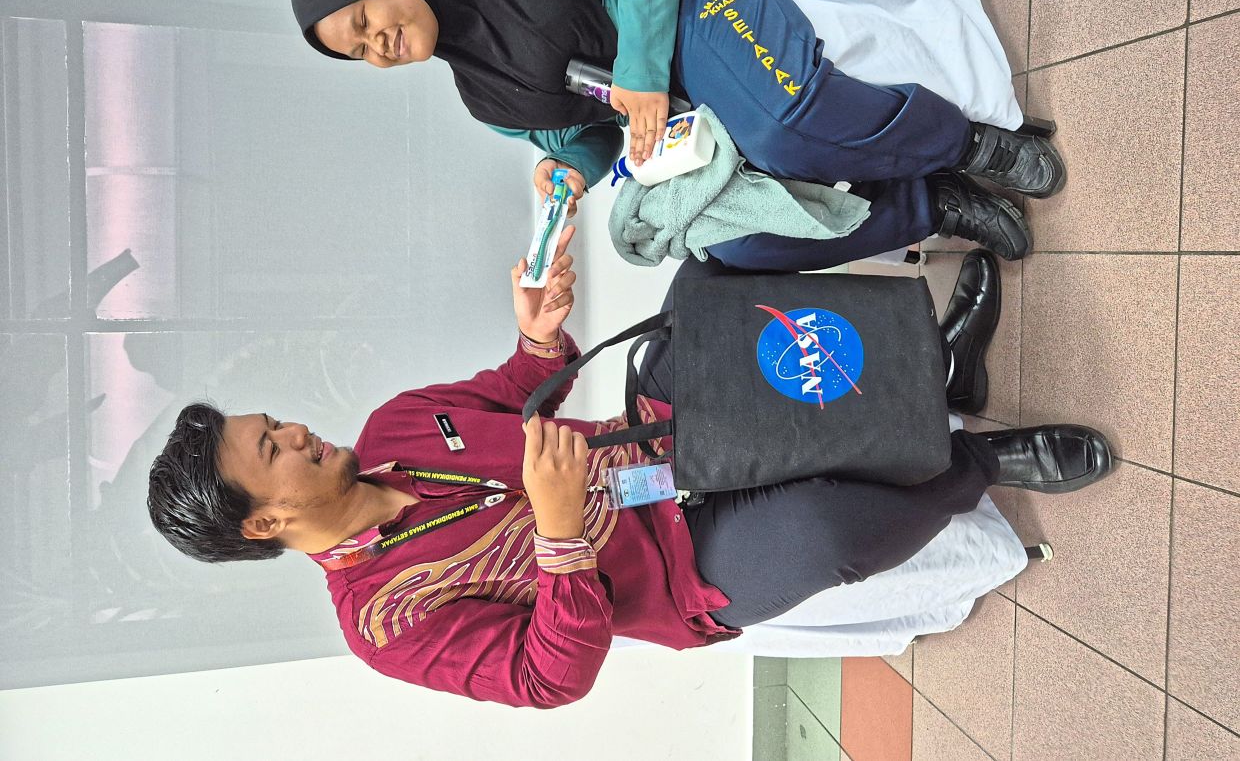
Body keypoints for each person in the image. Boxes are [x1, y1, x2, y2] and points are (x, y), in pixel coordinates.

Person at [147, 230, 1112, 707]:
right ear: (263, 523)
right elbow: (545, 679)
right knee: (824, 529)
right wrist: (561, 538)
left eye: (274, 420)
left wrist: (537, 337)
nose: (299, 431)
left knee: (712, 268)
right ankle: (979, 461)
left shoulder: (395, 425)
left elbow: (520, 385)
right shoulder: (384, 625)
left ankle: (930, 364)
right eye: (274, 449)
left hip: (655, 440)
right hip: (692, 573)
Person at [290, 0, 1063, 269]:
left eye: (364, 20)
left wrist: (640, 66)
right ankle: (934, 205)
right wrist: (569, 176)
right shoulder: (480, 96)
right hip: (681, 111)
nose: (378, 45)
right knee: (736, 248)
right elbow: (585, 133)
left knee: (783, 127)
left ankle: (968, 144)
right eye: (359, 52)